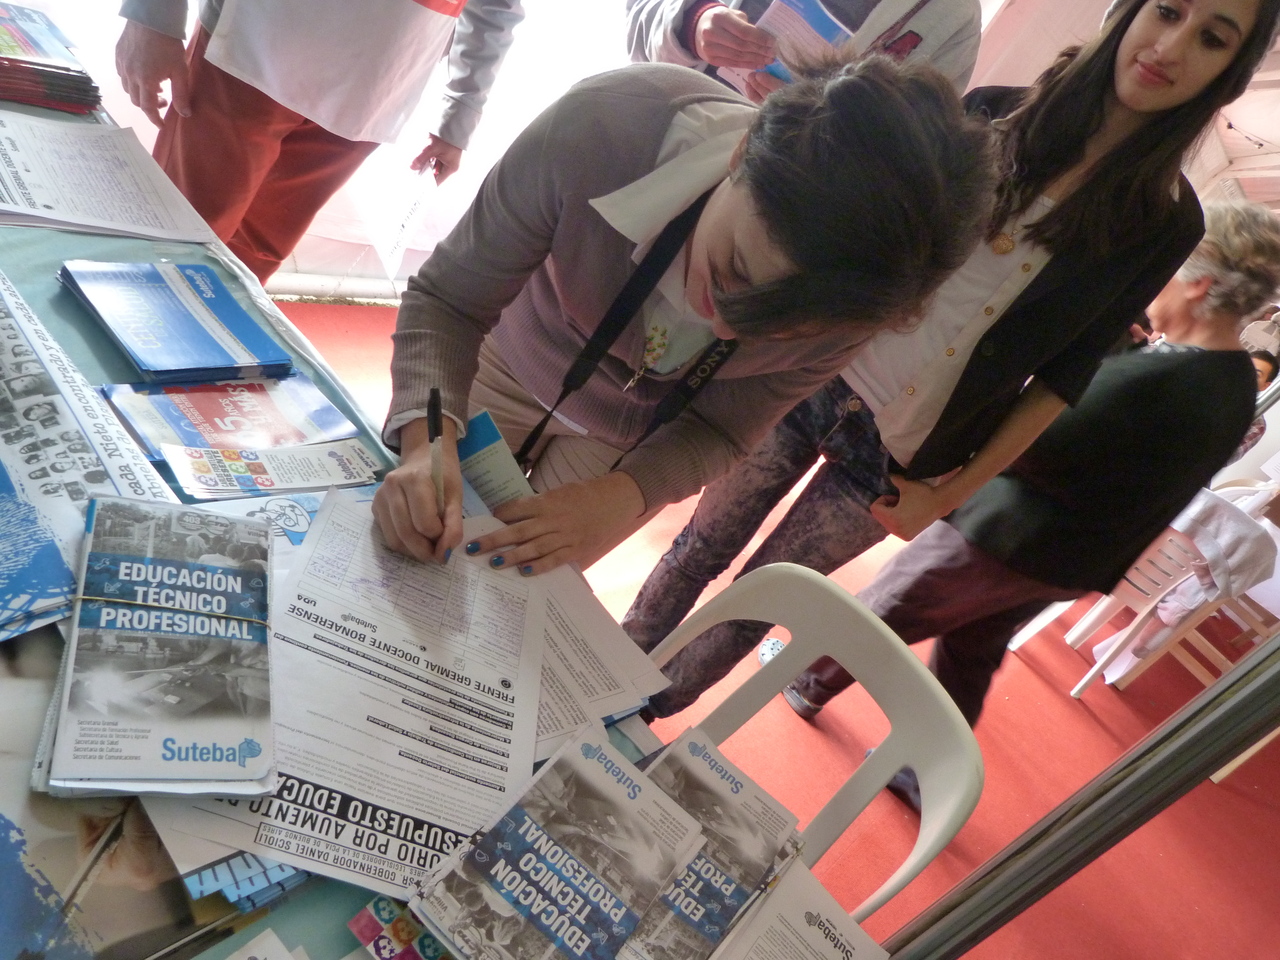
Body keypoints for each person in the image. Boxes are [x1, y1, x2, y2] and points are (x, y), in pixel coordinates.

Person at [626, 0, 1280, 718]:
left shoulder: (1164, 222)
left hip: (908, 454)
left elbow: (1062, 378)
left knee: (764, 600)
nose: (1172, 46)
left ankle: (637, 720)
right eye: (1168, 11)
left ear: (1228, 73)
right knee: (699, 546)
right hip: (812, 378)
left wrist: (947, 495)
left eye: (1212, 38)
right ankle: (599, 689)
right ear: (1130, 12)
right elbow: (870, 247)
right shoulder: (991, 113)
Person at [373, 56, 996, 574]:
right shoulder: (600, 127)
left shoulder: (862, 303)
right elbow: (451, 299)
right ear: (742, 153)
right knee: (407, 535)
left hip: (629, 441)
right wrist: (426, 442)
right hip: (509, 358)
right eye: (735, 270)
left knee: (515, 590)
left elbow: (722, 430)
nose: (723, 327)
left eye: (780, 329)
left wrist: (623, 497)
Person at [778, 200, 1280, 809]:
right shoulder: (1231, 383)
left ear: (1198, 284)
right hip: (1067, 557)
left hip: (1011, 534)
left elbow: (1046, 439)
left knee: (891, 606)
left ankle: (807, 679)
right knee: (970, 652)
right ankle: (918, 770)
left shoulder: (1173, 375)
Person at [116, 0, 526, 282]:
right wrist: (152, 16)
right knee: (175, 243)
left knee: (248, 267)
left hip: (377, 79)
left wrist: (462, 112)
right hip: (252, 43)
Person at [625, 0, 981, 98]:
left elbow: (906, 157)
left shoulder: (955, 20)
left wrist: (813, 121)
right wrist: (693, 22)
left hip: (758, 199)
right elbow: (642, 11)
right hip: (657, 129)